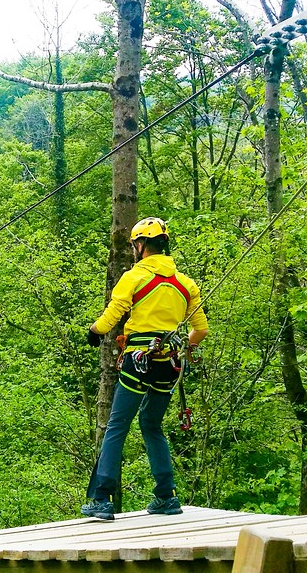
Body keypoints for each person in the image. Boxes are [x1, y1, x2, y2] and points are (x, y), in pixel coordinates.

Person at [82, 217, 209, 520]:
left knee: (117, 425)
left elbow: (115, 312)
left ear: (140, 246)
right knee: (152, 424)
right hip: (170, 363)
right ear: (165, 244)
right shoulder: (185, 283)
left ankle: (101, 498)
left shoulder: (134, 276)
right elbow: (200, 330)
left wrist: (95, 331)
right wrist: (185, 346)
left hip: (139, 359)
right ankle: (166, 496)